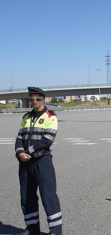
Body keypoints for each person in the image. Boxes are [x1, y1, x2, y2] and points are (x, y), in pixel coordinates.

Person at [14, 87, 63, 235]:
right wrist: (20, 152)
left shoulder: (50, 115)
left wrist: (27, 151)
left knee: (48, 196)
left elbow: (47, 139)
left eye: (37, 98)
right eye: (31, 98)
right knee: (27, 197)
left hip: (42, 161)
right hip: (25, 163)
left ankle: (55, 230)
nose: (34, 101)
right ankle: (32, 229)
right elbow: (19, 138)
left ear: (43, 99)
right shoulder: (26, 117)